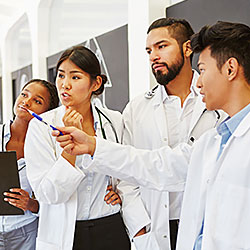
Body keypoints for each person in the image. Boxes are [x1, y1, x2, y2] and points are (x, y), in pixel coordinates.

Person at [53, 21, 250, 249]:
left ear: (230, 69)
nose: (200, 81)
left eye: (203, 70)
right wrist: (93, 146)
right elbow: (156, 165)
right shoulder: (213, 141)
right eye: (149, 50)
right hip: (161, 230)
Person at [122, 17, 225, 250]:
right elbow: (127, 177)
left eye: (162, 46)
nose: (153, 57)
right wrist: (140, 225)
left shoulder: (218, 98)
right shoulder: (136, 109)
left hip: (207, 224)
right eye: (149, 50)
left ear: (187, 48)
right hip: (154, 227)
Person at [24, 45, 132, 250]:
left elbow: (125, 168)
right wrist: (69, 150)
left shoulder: (114, 120)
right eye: (61, 76)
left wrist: (121, 193)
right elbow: (48, 194)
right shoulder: (41, 126)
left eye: (75, 77)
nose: (65, 85)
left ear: (96, 83)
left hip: (110, 226)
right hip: (65, 233)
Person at [0, 79, 59, 250]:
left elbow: (55, 199)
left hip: (26, 231)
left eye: (37, 101)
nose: (26, 102)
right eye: (24, 94)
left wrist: (31, 204)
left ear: (47, 112)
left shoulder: (50, 149)